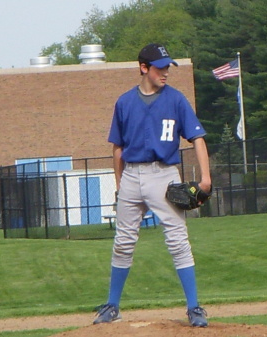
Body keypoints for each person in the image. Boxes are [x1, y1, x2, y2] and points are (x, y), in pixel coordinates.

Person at [93, 43, 212, 327]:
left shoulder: (176, 100)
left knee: (177, 240)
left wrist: (205, 178)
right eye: (160, 67)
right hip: (132, 176)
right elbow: (117, 149)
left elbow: (197, 138)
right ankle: (112, 306)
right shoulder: (124, 102)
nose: (166, 72)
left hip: (164, 175)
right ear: (143, 68)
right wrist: (120, 184)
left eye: (168, 67)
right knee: (123, 242)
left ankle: (194, 307)